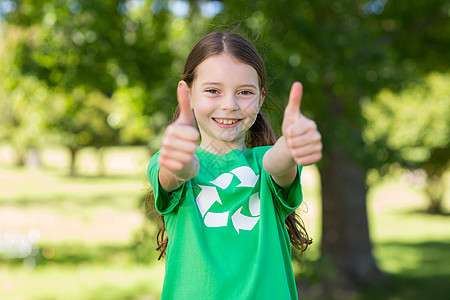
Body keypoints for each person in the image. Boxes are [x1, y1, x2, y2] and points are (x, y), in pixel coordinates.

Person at [147, 32, 322, 300]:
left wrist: (291, 145)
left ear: (261, 97)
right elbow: (173, 173)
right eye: (213, 91)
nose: (229, 105)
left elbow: (278, 163)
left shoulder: (266, 164)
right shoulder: (167, 159)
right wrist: (182, 164)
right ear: (188, 94)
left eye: (244, 92)